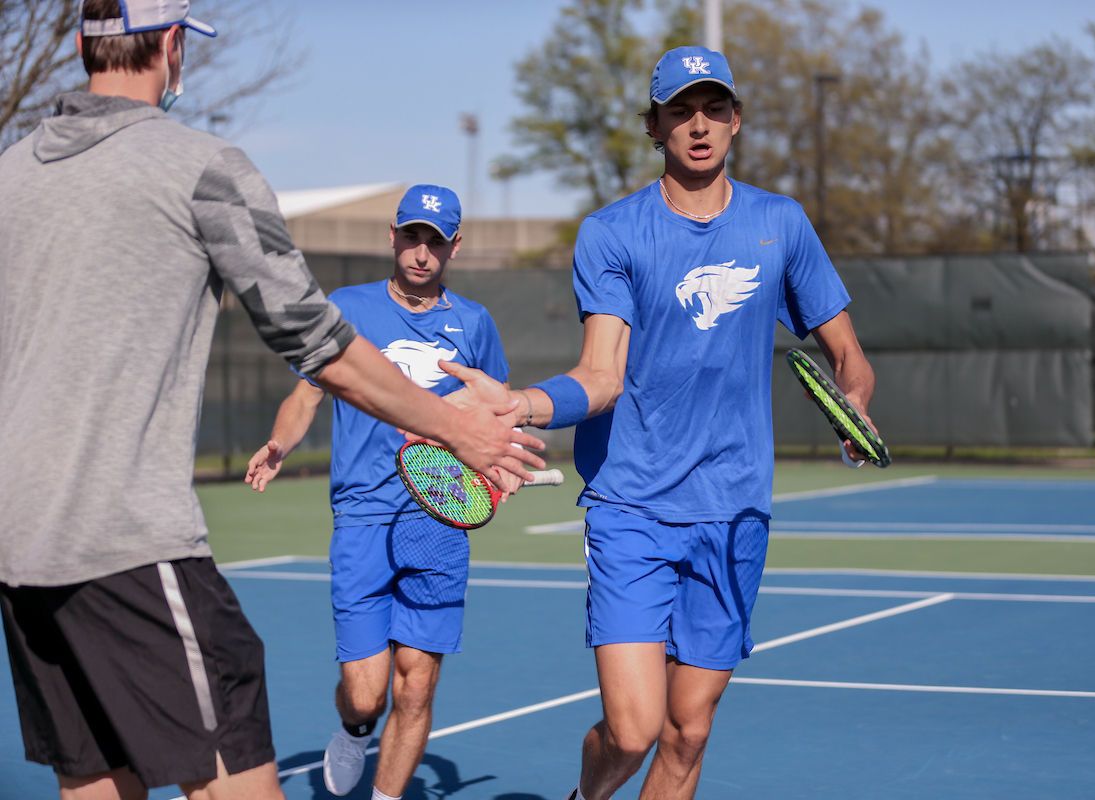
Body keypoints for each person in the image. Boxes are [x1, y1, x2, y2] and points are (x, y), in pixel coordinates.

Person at [0, 3, 543, 800]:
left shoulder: (10, 174)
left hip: (17, 544)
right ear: (173, 47)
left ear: (82, 42)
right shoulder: (204, 167)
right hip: (125, 538)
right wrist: (456, 428)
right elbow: (318, 344)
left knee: (95, 779)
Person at [493, 47, 877, 800]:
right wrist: (522, 404)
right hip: (633, 504)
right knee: (633, 732)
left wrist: (852, 403)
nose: (698, 126)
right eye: (680, 111)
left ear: (735, 121)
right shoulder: (612, 234)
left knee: (688, 732)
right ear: (653, 125)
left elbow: (849, 356)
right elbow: (600, 377)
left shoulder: (781, 223)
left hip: (735, 510)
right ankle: (585, 795)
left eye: (713, 109)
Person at [244, 184, 519, 800]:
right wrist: (282, 443)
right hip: (363, 518)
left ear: (453, 248)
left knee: (415, 687)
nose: (422, 252)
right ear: (392, 237)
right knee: (367, 695)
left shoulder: (474, 322)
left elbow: (496, 414)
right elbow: (308, 392)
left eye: (436, 241)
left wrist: (501, 467)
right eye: (413, 237)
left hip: (440, 520)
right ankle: (352, 728)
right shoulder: (346, 308)